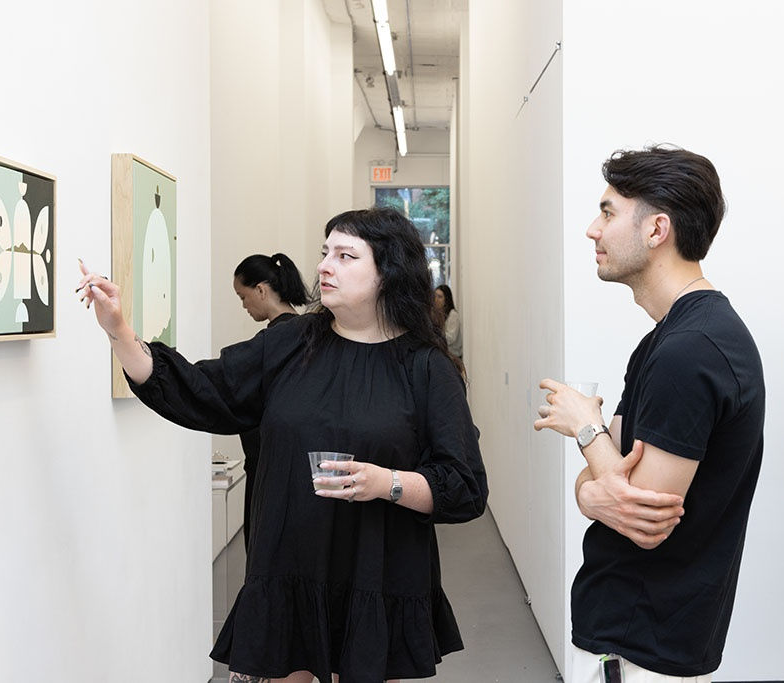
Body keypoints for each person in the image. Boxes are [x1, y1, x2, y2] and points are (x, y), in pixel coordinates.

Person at [77, 207, 488, 683]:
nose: (323, 266)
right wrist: (119, 331)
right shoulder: (291, 341)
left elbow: (464, 486)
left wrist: (386, 483)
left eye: (345, 255)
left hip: (377, 572)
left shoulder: (426, 368)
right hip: (289, 565)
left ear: (388, 272)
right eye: (324, 252)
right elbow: (200, 389)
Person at [534, 145, 765, 683]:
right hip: (641, 629)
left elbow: (643, 523)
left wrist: (582, 424)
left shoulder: (692, 351)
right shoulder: (669, 338)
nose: (594, 229)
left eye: (609, 212)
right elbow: (607, 483)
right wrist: (590, 494)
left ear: (657, 229)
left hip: (643, 640)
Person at [232, 252, 309, 548]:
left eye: (243, 296)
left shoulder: (276, 341)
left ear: (262, 290)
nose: (244, 306)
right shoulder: (307, 332)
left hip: (272, 469)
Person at [433, 284, 462, 359]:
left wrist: (435, 335)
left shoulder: (453, 315)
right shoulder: (436, 314)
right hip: (442, 355)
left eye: (440, 297)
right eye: (435, 296)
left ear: (446, 299)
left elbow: (451, 338)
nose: (436, 299)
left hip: (453, 357)